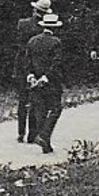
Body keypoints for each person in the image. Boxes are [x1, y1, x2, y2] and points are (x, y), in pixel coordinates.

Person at [25, 11, 66, 153]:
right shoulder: (56, 42)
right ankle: (44, 136)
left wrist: (31, 76)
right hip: (51, 82)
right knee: (55, 109)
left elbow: (27, 61)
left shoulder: (32, 41)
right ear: (55, 28)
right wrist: (45, 77)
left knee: (40, 111)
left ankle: (45, 144)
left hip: (35, 82)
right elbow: (56, 64)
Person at [13, 0, 51, 143]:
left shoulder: (22, 24)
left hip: (22, 66)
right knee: (36, 101)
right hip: (37, 67)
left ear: (34, 10)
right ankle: (32, 134)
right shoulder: (44, 29)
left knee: (23, 101)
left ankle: (21, 132)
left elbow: (19, 45)